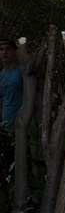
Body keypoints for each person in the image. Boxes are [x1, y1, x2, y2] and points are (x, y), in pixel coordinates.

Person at [0, 38, 24, 166]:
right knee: (11, 166)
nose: (4, 52)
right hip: (5, 128)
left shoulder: (22, 72)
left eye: (8, 49)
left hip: (22, 127)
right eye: (1, 49)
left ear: (15, 52)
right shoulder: (1, 75)